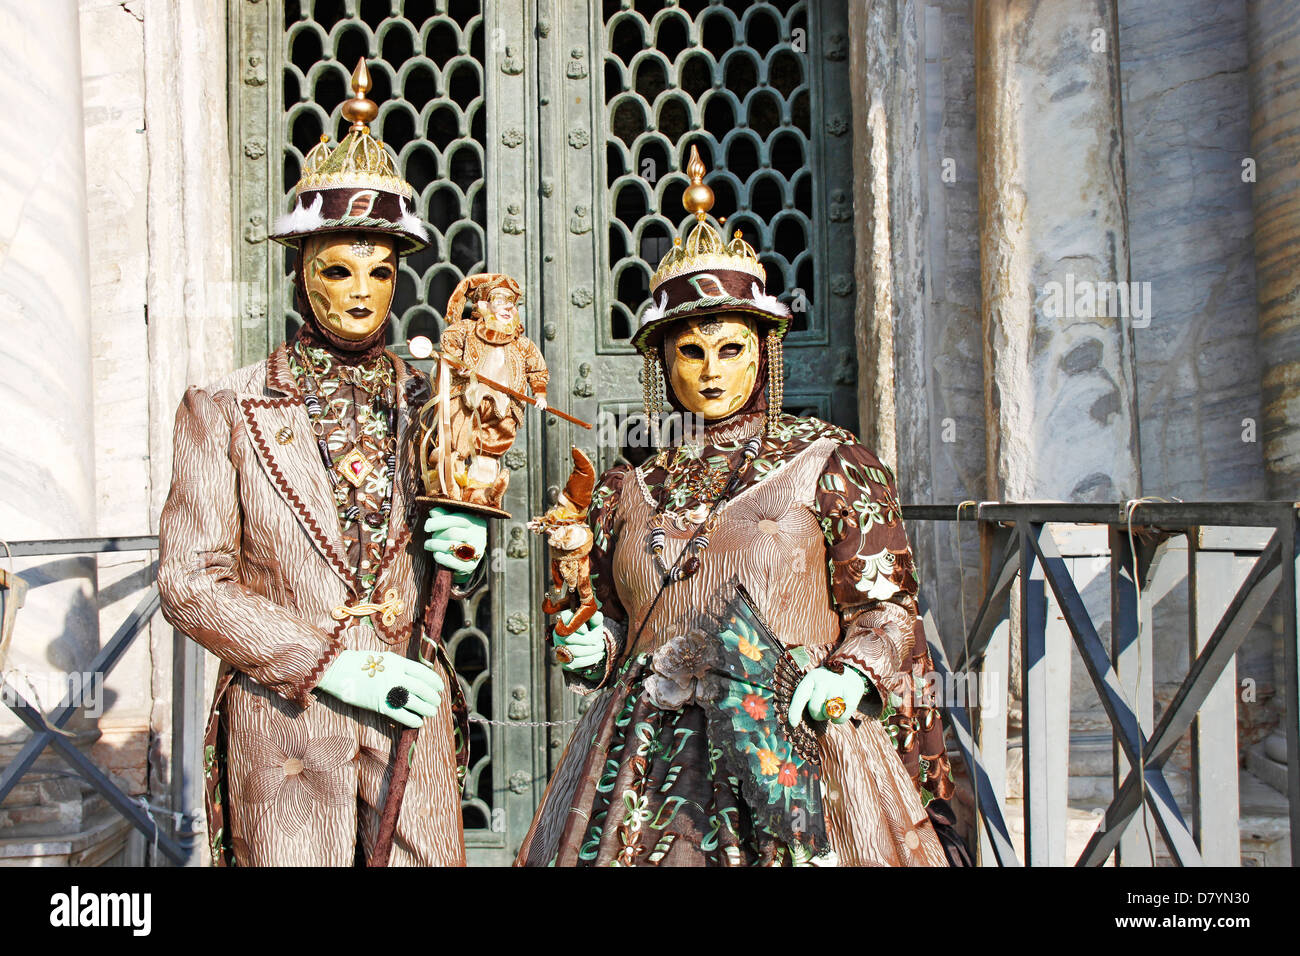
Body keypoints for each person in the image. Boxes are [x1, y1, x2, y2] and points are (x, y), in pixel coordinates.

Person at [515, 147, 965, 866]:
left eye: (731, 348)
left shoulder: (830, 458)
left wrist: (849, 673)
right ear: (663, 363)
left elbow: (889, 610)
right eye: (692, 352)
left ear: (763, 350)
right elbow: (607, 624)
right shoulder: (626, 483)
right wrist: (589, 646)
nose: (713, 370)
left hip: (798, 741)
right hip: (646, 767)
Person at [157, 60, 484, 866]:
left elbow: (447, 545)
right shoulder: (224, 407)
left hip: (411, 708)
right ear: (301, 270)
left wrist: (467, 548)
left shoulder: (434, 397)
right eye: (339, 268)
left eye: (381, 269)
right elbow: (190, 582)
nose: (363, 291)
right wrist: (332, 665)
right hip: (288, 722)